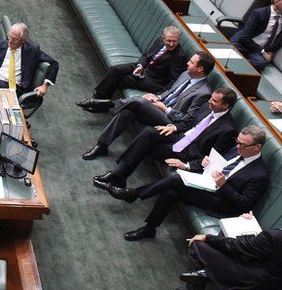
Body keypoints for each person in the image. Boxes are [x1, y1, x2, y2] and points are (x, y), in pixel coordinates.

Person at [111, 125, 270, 242]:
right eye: (238, 142)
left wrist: (223, 185)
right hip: (210, 185)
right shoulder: (237, 151)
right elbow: (220, 165)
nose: (237, 146)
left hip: (223, 203)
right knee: (171, 193)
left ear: (257, 147)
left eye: (243, 145)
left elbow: (243, 204)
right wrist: (208, 162)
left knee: (176, 179)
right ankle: (149, 228)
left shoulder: (259, 174)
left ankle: (135, 194)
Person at [93, 88, 238, 190]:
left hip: (187, 153)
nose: (210, 102)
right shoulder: (208, 108)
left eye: (214, 101)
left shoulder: (228, 130)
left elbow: (212, 158)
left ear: (225, 106)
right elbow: (189, 123)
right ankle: (118, 175)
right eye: (211, 98)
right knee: (149, 133)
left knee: (146, 144)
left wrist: (187, 165)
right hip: (180, 136)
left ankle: (118, 175)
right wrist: (173, 127)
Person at [81, 51, 215, 159]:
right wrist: (156, 97)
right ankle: (102, 145)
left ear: (200, 69)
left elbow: (188, 120)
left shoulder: (204, 93)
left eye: (191, 62)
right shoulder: (186, 74)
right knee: (128, 111)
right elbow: (170, 91)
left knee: (139, 101)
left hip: (169, 120)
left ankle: (107, 104)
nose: (187, 63)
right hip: (159, 106)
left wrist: (165, 109)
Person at [77, 26, 186, 110]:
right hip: (144, 68)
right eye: (168, 41)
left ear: (178, 39)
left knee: (121, 79)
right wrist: (140, 66)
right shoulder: (159, 41)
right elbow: (146, 55)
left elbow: (174, 81)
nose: (171, 44)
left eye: (174, 41)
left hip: (154, 81)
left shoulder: (179, 56)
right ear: (163, 38)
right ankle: (98, 98)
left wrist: (159, 95)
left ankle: (98, 103)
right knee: (115, 70)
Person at [0, 23, 59, 94]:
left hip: (17, 88)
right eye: (9, 36)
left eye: (15, 39)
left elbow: (54, 64)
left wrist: (45, 85)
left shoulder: (32, 50)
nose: (10, 41)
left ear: (23, 41)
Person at [230, 0, 282, 70]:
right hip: (243, 43)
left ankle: (238, 65)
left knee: (260, 63)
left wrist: (271, 51)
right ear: (276, 2)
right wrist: (262, 52)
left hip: (258, 51)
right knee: (228, 54)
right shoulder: (259, 13)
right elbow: (244, 37)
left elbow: (281, 36)